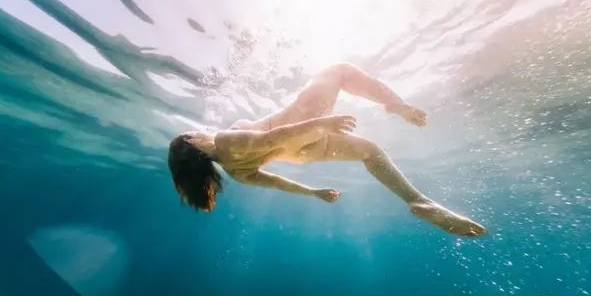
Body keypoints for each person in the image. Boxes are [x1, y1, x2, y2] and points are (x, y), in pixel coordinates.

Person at [167, 63, 487, 237]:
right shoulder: (225, 140)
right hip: (301, 126)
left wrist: (313, 192)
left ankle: (418, 201)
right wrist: (323, 123)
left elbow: (278, 182)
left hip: (301, 153)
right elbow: (274, 136)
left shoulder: (236, 173)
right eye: (194, 132)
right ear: (193, 142)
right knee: (339, 70)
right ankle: (394, 104)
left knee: (371, 152)